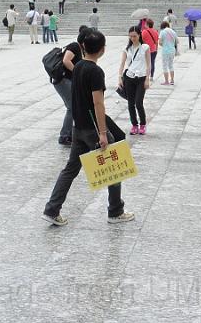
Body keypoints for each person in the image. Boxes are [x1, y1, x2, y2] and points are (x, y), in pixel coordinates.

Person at [42, 29, 135, 226]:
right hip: (93, 129)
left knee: (70, 169)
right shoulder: (95, 71)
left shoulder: (78, 67)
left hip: (79, 128)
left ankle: (52, 209)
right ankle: (115, 211)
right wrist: (102, 133)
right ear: (102, 50)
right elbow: (98, 103)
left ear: (83, 47)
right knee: (113, 167)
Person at [53, 25, 90, 146]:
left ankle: (70, 133)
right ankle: (64, 136)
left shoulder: (81, 49)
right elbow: (66, 60)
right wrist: (77, 72)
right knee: (72, 107)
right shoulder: (74, 46)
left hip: (68, 81)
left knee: (73, 107)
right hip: (63, 80)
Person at [118, 26, 152, 135]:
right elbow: (122, 63)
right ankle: (134, 125)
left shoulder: (145, 47)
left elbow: (149, 64)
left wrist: (147, 79)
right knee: (130, 103)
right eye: (131, 36)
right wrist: (119, 77)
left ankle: (142, 124)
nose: (133, 38)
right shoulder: (127, 49)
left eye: (135, 36)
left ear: (139, 35)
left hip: (141, 78)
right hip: (129, 77)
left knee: (138, 103)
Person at [159, 20, 178, 86]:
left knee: (165, 66)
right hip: (172, 50)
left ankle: (166, 81)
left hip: (165, 51)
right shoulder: (173, 31)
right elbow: (177, 41)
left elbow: (160, 42)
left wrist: (164, 44)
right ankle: (172, 80)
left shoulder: (162, 32)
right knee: (171, 65)